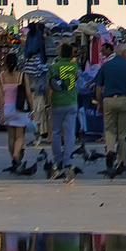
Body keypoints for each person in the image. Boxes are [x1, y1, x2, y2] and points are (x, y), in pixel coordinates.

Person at [95, 39, 126, 178]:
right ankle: (122, 162)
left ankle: (109, 150)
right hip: (125, 99)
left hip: (108, 99)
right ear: (125, 52)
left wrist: (99, 102)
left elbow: (98, 86)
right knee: (123, 133)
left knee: (109, 130)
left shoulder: (106, 66)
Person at [46, 41, 81, 179]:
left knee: (55, 132)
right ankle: (68, 160)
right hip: (71, 101)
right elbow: (77, 77)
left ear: (60, 53)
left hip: (57, 103)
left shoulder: (53, 67)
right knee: (70, 133)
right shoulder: (74, 66)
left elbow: (49, 87)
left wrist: (47, 104)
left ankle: (57, 159)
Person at [0, 52, 33, 174]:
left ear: (5, 63)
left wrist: (1, 114)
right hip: (20, 108)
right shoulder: (22, 76)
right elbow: (28, 94)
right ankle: (16, 155)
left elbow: (0, 98)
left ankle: (13, 156)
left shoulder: (0, 78)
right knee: (20, 136)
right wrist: (32, 109)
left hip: (7, 109)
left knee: (11, 136)